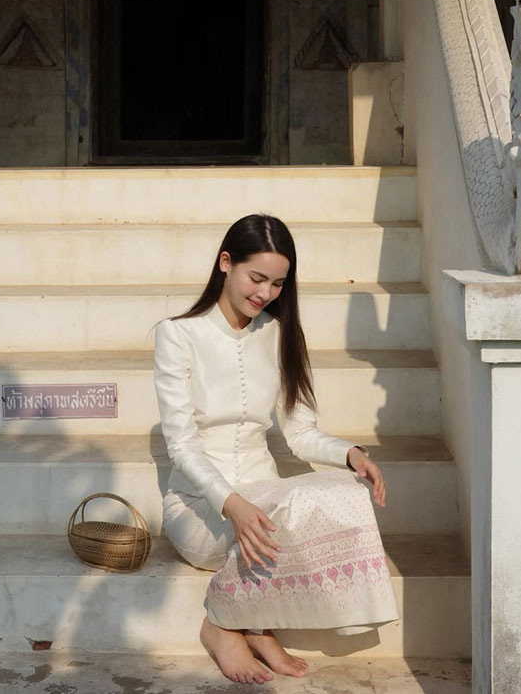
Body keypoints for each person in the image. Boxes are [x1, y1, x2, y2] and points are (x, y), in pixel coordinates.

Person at [152, 214, 400, 685]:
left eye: (278, 283)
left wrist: (351, 454)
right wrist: (232, 503)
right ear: (226, 262)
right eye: (257, 278)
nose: (265, 293)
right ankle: (223, 623)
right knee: (281, 515)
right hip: (201, 507)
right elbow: (181, 445)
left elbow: (300, 432)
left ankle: (256, 626)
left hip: (264, 501)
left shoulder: (280, 333)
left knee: (346, 491)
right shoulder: (178, 334)